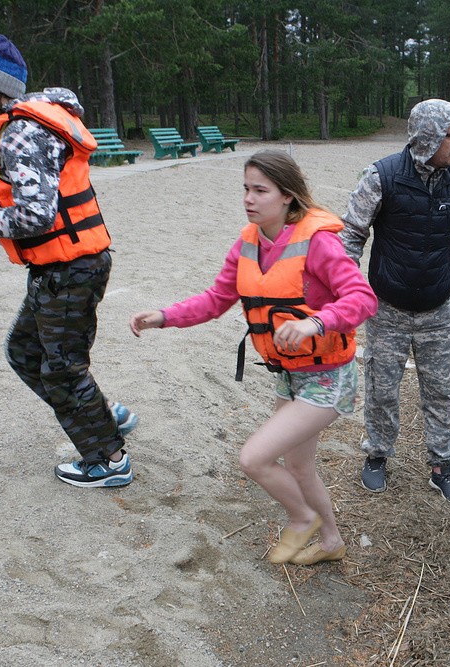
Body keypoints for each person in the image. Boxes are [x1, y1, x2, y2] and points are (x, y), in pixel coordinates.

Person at [129, 151, 377, 566]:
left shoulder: (319, 242)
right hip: (290, 375)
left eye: (260, 190)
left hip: (329, 376)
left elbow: (362, 298)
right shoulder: (248, 242)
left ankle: (302, 519)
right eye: (246, 188)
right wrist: (164, 317)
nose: (249, 198)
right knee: (298, 467)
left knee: (254, 457)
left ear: (287, 196)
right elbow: (216, 299)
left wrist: (316, 323)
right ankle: (332, 542)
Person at [0, 34, 138, 488]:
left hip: (69, 272)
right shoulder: (25, 124)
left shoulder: (21, 131)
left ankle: (108, 460)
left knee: (61, 370)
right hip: (66, 268)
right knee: (25, 351)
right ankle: (99, 414)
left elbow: (36, 215)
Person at [340, 99, 450, 501]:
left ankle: (442, 466)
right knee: (382, 387)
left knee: (442, 389)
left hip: (438, 308)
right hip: (387, 308)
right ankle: (377, 455)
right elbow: (351, 235)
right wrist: (344, 292)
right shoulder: (382, 177)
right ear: (428, 138)